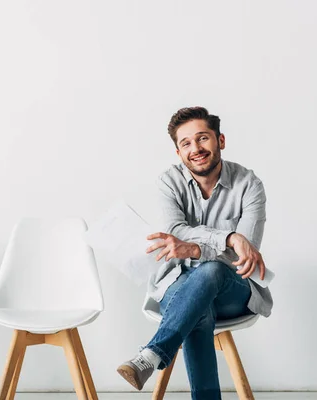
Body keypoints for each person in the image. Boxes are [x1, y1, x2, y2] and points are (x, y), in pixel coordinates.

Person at [117, 106, 273, 399]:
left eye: (203, 138)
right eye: (185, 143)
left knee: (212, 271)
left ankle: (151, 355)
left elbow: (243, 255)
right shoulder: (169, 181)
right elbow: (175, 229)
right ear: (178, 152)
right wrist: (228, 237)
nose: (195, 149)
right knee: (199, 308)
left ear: (220, 140)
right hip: (178, 286)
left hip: (232, 290)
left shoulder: (249, 185)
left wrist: (194, 247)